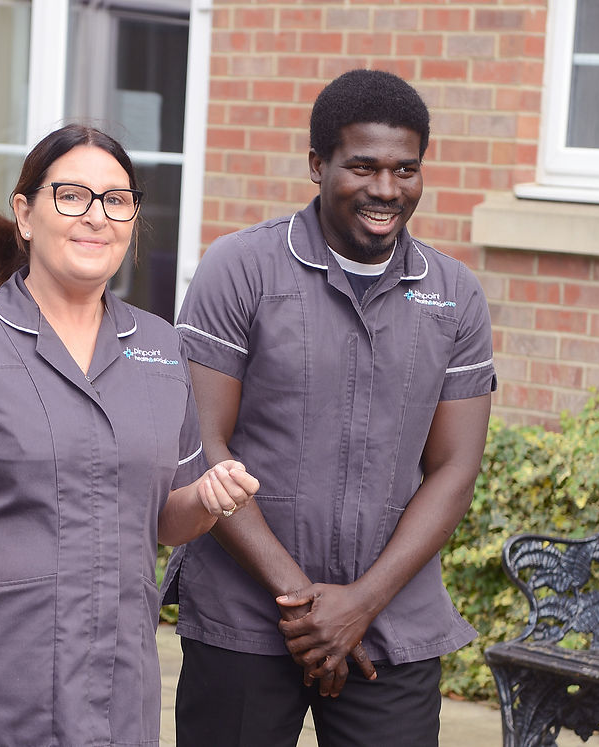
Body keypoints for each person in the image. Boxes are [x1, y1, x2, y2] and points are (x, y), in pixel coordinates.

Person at [0, 124, 259, 747]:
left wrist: (207, 499)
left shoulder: (160, 348)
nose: (96, 216)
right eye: (72, 196)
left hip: (113, 687)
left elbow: (162, 521)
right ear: (26, 214)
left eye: (116, 201)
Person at [161, 69, 497, 746]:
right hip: (244, 616)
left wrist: (360, 604)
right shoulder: (241, 269)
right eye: (363, 167)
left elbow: (456, 466)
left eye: (406, 169)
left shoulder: (454, 294)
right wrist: (307, 607)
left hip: (389, 625)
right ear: (318, 164)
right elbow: (203, 444)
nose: (386, 189)